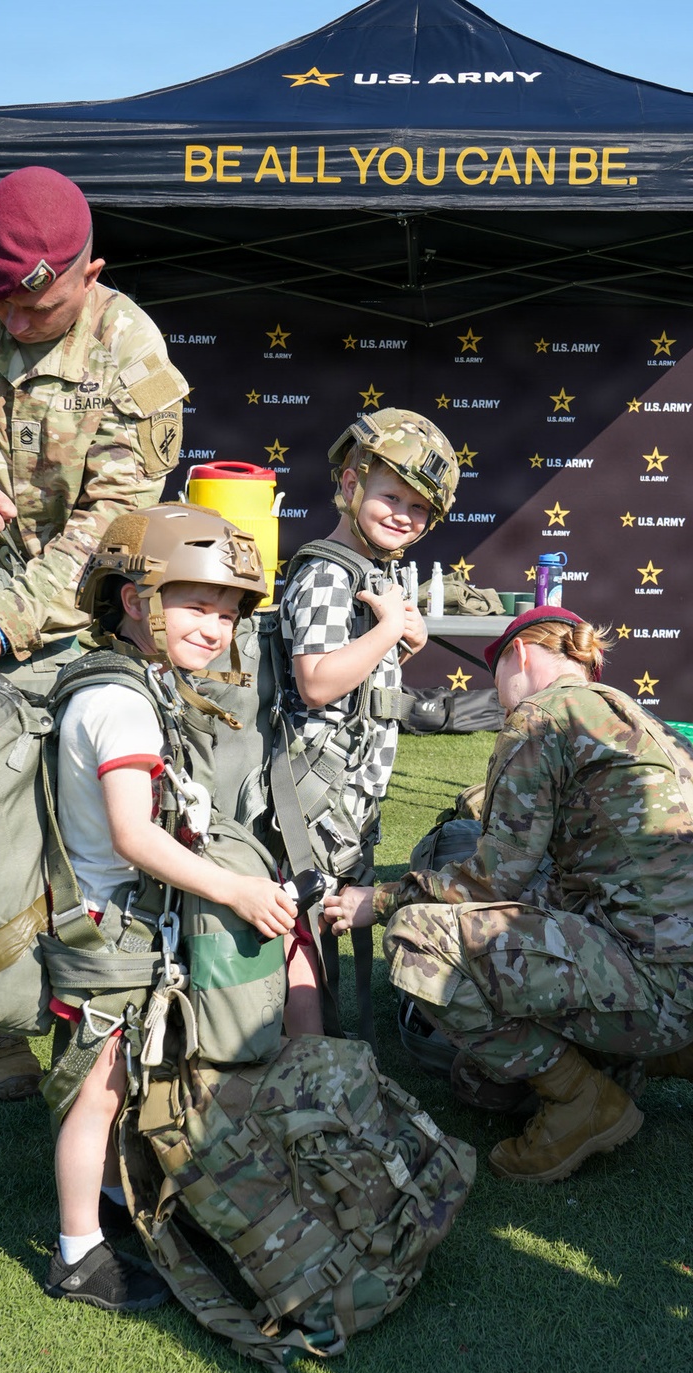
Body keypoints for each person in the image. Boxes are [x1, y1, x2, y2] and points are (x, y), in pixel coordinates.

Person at [0, 165, 189, 1100]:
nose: (12, 325)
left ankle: (82, 1007)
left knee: (80, 823)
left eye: (37, 308)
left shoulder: (133, 354)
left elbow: (114, 517)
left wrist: (10, 619)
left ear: (91, 272)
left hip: (77, 617)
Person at [324, 605, 693, 1186]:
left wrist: (378, 901)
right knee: (480, 1085)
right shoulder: (642, 720)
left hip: (650, 979)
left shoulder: (542, 716)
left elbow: (492, 877)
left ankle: (584, 1103)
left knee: (417, 940)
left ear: (520, 655)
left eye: (494, 675)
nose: (496, 695)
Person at [45, 501, 305, 1311]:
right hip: (106, 926)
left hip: (109, 920)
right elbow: (131, 832)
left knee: (117, 1081)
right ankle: (78, 1252)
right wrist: (235, 887)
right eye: (197, 601)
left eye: (229, 610)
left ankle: (111, 1204)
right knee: (100, 1089)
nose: (216, 624)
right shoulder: (122, 702)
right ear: (135, 599)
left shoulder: (124, 683)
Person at [274, 409, 458, 1034]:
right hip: (315, 788)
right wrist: (386, 629)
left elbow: (365, 672)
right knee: (302, 924)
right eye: (390, 495)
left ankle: (325, 1045)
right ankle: (310, 1061)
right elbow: (318, 680)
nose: (403, 514)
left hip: (350, 790)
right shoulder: (328, 571)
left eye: (420, 508)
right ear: (351, 486)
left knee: (323, 917)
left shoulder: (374, 570)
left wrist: (406, 635)